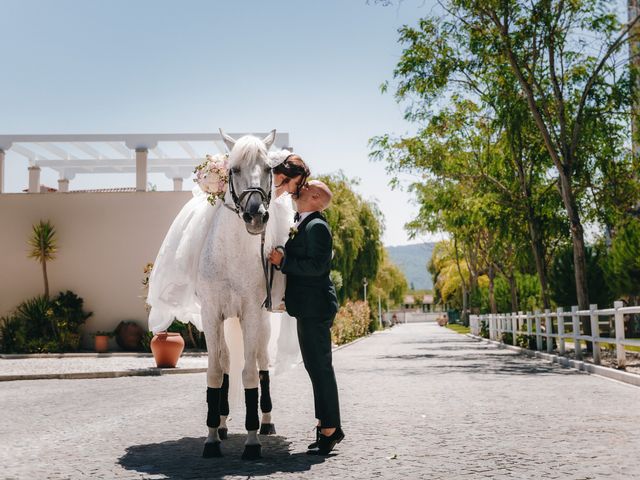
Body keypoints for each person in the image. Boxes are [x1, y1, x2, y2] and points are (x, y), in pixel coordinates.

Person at [268, 180, 345, 456]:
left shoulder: (317, 227)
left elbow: (317, 267)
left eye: (307, 186)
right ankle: (326, 425)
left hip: (315, 307)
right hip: (308, 307)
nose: (300, 187)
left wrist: (283, 262)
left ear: (315, 196)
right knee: (315, 368)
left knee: (320, 368)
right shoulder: (304, 223)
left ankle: (331, 430)